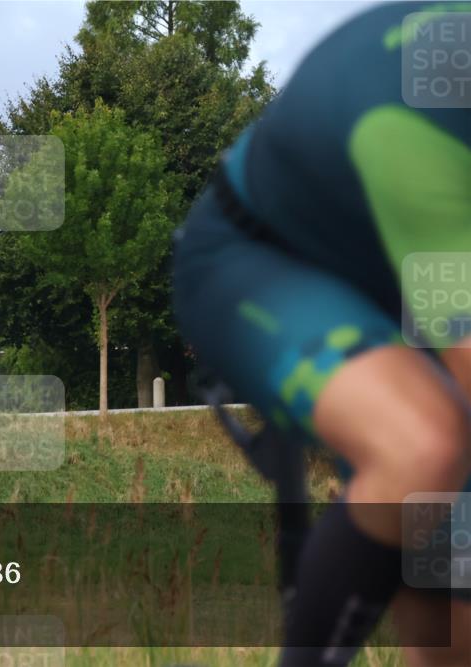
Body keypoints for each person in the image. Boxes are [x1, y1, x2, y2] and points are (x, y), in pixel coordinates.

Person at [172, 2, 471, 665]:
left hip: (403, 275)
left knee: (456, 613)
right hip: (260, 263)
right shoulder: (415, 118)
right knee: (425, 444)